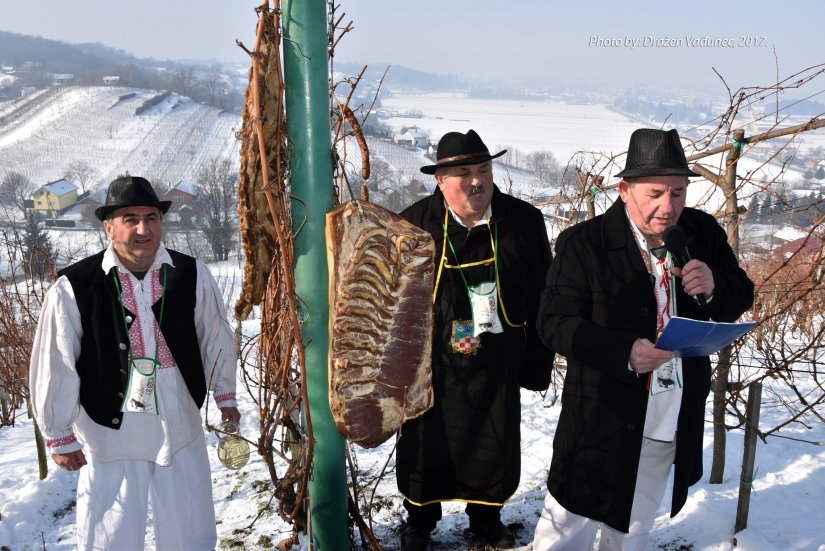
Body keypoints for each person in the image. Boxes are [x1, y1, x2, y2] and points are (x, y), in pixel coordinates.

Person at [532, 128, 754, 550]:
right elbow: (554, 322)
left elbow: (741, 293)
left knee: (635, 524)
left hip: (672, 409)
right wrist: (624, 352)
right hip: (603, 411)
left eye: (678, 192)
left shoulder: (701, 233)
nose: (668, 207)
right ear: (624, 190)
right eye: (655, 193)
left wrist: (714, 286)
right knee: (568, 524)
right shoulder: (585, 244)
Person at [29, 176, 240, 550]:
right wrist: (58, 433)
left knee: (189, 522)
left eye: (151, 217)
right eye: (130, 219)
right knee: (110, 528)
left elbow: (216, 338)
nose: (143, 229)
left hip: (179, 416)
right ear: (109, 226)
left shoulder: (191, 274)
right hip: (109, 424)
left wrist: (226, 396)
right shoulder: (75, 286)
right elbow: (55, 360)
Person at [396, 129, 554, 550]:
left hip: (497, 358)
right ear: (440, 180)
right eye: (463, 173)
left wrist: (537, 363)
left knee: (493, 440)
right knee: (425, 442)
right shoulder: (412, 226)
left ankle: (486, 520)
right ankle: (419, 521)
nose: (477, 181)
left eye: (483, 169)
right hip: (430, 365)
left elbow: (543, 291)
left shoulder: (522, 221)